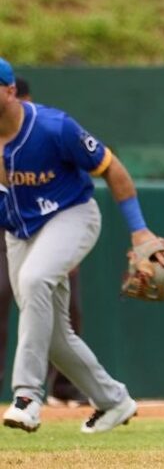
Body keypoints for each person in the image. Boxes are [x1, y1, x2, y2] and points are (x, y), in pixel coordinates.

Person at [0, 57, 164, 433]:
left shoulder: (52, 126)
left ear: (11, 91)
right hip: (20, 231)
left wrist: (139, 230)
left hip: (71, 214)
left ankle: (26, 396)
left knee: (34, 280)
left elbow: (112, 168)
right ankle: (113, 400)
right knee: (55, 335)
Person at [0, 77, 89, 410]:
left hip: (47, 230)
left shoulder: (45, 132)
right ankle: (26, 392)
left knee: (66, 313)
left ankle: (64, 386)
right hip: (9, 233)